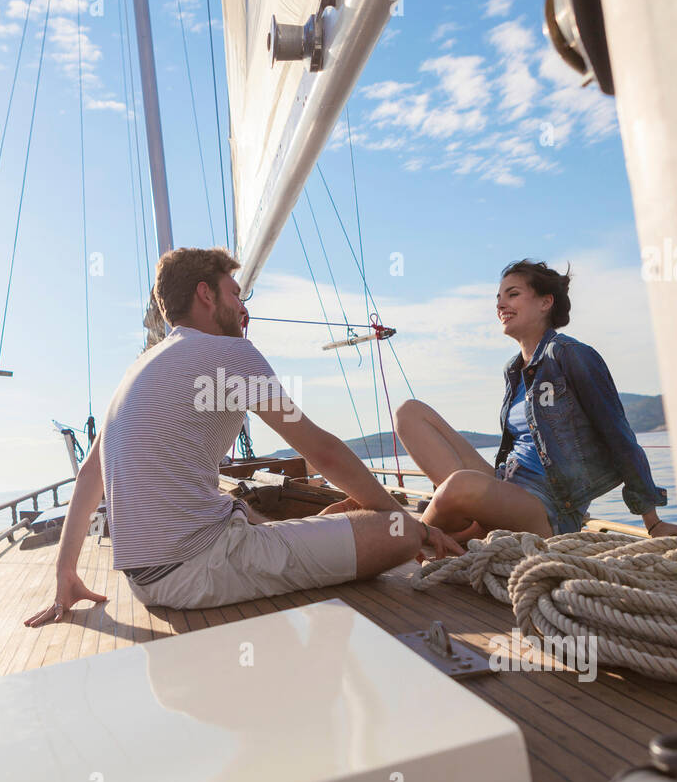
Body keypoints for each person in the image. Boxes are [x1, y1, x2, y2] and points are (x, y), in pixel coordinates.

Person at [25, 247, 462, 627]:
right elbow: (322, 451)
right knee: (396, 532)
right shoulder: (231, 355)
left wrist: (66, 572)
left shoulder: (138, 368)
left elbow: (88, 475)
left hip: (144, 579)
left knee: (256, 516)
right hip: (197, 568)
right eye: (234, 294)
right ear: (205, 294)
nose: (241, 307)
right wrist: (414, 527)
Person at [393, 259, 677, 541]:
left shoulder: (571, 354)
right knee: (409, 413)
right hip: (507, 484)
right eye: (498, 298)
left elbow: (619, 434)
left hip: (548, 507)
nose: (500, 305)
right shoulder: (514, 369)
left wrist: (652, 522)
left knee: (457, 486)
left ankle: (415, 540)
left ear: (546, 303)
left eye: (513, 294)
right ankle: (469, 527)